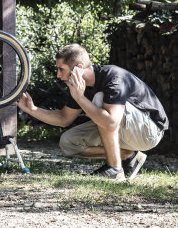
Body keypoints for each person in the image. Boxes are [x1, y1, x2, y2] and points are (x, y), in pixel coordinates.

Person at [16, 44, 169, 181]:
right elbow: (64, 119)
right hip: (124, 129)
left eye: (61, 69)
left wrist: (80, 97)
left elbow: (110, 122)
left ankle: (114, 169)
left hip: (149, 132)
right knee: (68, 142)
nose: (58, 74)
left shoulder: (113, 77)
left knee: (99, 99)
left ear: (78, 68)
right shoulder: (78, 87)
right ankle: (128, 156)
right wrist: (32, 109)